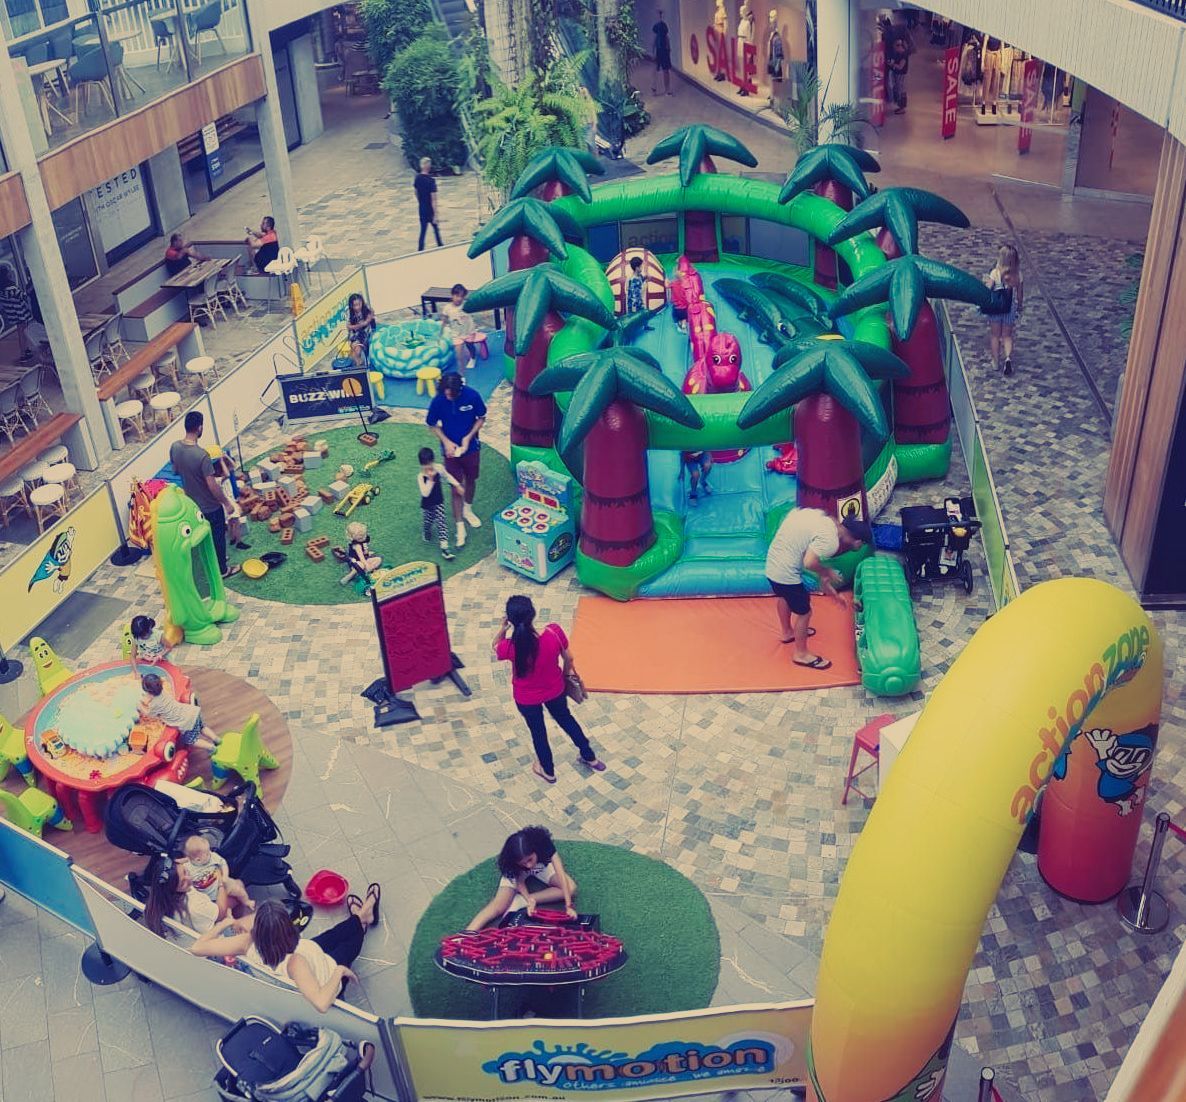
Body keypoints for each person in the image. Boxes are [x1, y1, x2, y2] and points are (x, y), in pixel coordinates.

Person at [191, 890, 381, 1013]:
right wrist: (340, 971)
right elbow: (322, 1003)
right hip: (324, 973)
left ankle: (361, 916)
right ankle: (363, 920)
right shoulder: (295, 963)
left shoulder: (246, 942)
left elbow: (197, 948)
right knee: (350, 945)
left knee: (333, 934)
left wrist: (224, 924)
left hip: (312, 953)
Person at [494, 595, 605, 784]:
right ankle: (589, 756)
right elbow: (569, 658)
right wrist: (565, 675)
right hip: (555, 689)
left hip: (526, 698)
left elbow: (495, 646)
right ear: (533, 613)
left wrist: (503, 628)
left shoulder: (510, 647)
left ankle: (548, 770)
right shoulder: (554, 633)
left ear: (510, 620)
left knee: (538, 732)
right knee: (567, 720)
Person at [765, 509, 872, 670]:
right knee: (805, 612)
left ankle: (787, 632)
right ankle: (801, 654)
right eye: (861, 544)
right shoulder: (830, 541)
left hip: (772, 565)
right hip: (786, 573)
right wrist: (827, 571)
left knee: (784, 597)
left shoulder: (822, 518)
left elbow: (820, 574)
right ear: (858, 542)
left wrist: (834, 595)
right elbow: (810, 563)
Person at [465, 826, 577, 931]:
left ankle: (519, 901)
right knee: (498, 907)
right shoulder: (511, 863)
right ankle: (465, 936)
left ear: (535, 850)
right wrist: (528, 898)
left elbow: (560, 872)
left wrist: (568, 906)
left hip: (541, 866)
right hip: (518, 873)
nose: (528, 865)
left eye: (530, 859)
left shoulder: (543, 843)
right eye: (523, 863)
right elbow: (519, 881)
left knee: (570, 888)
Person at [170, 411, 239, 578]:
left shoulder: (175, 447)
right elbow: (212, 485)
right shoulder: (202, 456)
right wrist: (227, 503)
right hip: (210, 506)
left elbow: (175, 470)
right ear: (200, 428)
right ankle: (222, 570)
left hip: (192, 505)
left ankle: (213, 559)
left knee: (203, 534)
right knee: (217, 536)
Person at [426, 371, 486, 548]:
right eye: (445, 392)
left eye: (451, 393)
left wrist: (468, 438)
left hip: (471, 448)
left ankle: (468, 509)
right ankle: (460, 527)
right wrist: (446, 442)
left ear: (459, 389)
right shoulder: (438, 400)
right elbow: (431, 424)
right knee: (455, 486)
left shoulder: (472, 395)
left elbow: (481, 418)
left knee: (471, 480)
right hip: (450, 453)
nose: (448, 396)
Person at [140, 671, 220, 753]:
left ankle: (212, 748)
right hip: (192, 712)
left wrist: (140, 706)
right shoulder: (163, 691)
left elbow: (149, 714)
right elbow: (156, 698)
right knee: (202, 728)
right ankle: (217, 739)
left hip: (186, 722)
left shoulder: (154, 704)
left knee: (192, 740)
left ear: (148, 692)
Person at [144, 858, 223, 938]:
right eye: (183, 883)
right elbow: (221, 914)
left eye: (185, 871)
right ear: (173, 890)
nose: (189, 878)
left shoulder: (156, 902)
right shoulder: (194, 905)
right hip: (215, 938)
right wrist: (222, 882)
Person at [183, 834, 253, 917]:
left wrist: (225, 877)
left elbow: (223, 863)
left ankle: (247, 901)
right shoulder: (187, 868)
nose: (211, 853)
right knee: (223, 910)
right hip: (208, 895)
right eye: (207, 853)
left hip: (223, 884)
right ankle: (231, 915)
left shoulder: (212, 857)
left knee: (239, 890)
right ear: (198, 860)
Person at [984, 244, 1024, 376]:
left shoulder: (995, 273)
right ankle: (1007, 358)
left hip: (996, 308)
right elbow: (1019, 295)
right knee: (1007, 336)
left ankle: (995, 361)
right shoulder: (1018, 275)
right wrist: (1019, 306)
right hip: (1009, 308)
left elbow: (988, 289)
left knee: (995, 335)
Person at [418, 447, 458, 561]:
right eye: (425, 464)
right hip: (427, 504)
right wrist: (430, 480)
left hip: (438, 501)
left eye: (430, 463)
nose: (428, 466)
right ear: (421, 464)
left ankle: (445, 549)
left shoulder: (439, 468)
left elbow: (447, 476)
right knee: (428, 521)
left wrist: (457, 485)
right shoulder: (421, 477)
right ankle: (426, 531)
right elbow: (425, 493)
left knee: (441, 522)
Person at [210, 450, 249, 551]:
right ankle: (239, 542)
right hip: (227, 503)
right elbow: (227, 474)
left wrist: (226, 456)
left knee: (232, 522)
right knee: (236, 521)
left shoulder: (220, 477)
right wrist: (222, 461)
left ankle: (232, 538)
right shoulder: (217, 480)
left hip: (229, 501)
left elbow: (233, 466)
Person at [0, 265, 35, 363]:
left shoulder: (2, 290)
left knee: (21, 333)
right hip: (20, 314)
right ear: (5, 275)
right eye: (8, 272)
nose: (10, 273)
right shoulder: (12, 288)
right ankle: (24, 353)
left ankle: (25, 350)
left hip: (14, 316)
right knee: (23, 333)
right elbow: (24, 296)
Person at [439, 284, 477, 369]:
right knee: (459, 356)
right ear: (452, 295)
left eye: (462, 296)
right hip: (456, 335)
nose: (459, 298)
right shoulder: (447, 308)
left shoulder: (466, 305)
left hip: (468, 332)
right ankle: (462, 376)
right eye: (457, 296)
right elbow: (444, 320)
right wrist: (440, 332)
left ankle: (473, 358)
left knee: (470, 346)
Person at [414, 157, 442, 251]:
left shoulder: (417, 178)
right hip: (430, 209)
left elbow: (416, 192)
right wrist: (436, 215)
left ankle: (420, 249)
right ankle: (441, 246)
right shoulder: (431, 181)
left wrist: (421, 201)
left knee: (423, 231)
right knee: (436, 230)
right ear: (428, 166)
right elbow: (433, 199)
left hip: (422, 208)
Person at [346, 293, 376, 367]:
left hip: (367, 332)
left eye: (359, 304)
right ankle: (359, 365)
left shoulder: (366, 308)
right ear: (351, 305)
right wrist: (361, 324)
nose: (357, 307)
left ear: (362, 302)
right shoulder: (349, 312)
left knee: (369, 350)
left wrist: (365, 323)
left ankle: (368, 363)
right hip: (355, 335)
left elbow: (371, 315)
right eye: (355, 305)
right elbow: (349, 326)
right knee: (357, 350)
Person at [651, 11, 673, 95]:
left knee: (665, 70)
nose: (660, 17)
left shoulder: (663, 25)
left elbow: (666, 37)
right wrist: (653, 51)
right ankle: (654, 87)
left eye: (660, 15)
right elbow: (654, 39)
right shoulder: (656, 27)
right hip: (659, 50)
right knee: (656, 69)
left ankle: (666, 88)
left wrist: (668, 47)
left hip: (664, 50)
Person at [887, 35, 910, 114]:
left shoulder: (904, 55)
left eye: (898, 45)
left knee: (901, 89)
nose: (897, 47)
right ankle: (899, 106)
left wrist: (892, 64)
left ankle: (902, 107)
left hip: (900, 74)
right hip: (897, 74)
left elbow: (900, 66)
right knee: (898, 88)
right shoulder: (897, 53)